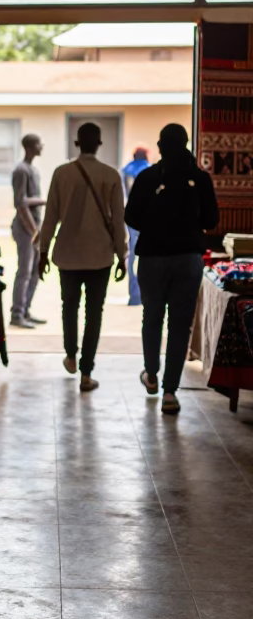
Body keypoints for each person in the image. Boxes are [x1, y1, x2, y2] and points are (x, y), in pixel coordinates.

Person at [125, 122, 219, 415]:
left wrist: (156, 228)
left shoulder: (147, 177)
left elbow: (132, 217)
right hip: (189, 260)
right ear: (187, 144)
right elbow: (212, 219)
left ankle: (151, 374)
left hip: (152, 258)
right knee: (180, 326)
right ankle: (169, 392)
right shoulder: (200, 179)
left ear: (162, 146)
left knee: (151, 317)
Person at [38, 122, 128, 392]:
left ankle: (70, 354)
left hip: (68, 255)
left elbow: (50, 217)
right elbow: (118, 220)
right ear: (99, 144)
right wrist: (121, 256)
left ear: (77, 144)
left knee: (69, 307)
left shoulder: (62, 173)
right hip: (100, 255)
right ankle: (87, 373)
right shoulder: (111, 175)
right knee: (94, 314)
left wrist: (43, 252)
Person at [10, 133, 47, 329]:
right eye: (40, 143)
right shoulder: (21, 170)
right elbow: (20, 203)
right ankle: (17, 314)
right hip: (25, 228)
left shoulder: (33, 169)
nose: (43, 146)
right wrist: (34, 231)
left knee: (34, 271)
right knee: (24, 271)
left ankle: (25, 310)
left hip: (35, 227)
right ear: (32, 146)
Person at [121, 144, 151, 305]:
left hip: (131, 217)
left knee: (132, 256)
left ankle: (134, 295)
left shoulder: (126, 170)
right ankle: (144, 293)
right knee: (146, 255)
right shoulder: (150, 170)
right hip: (148, 217)